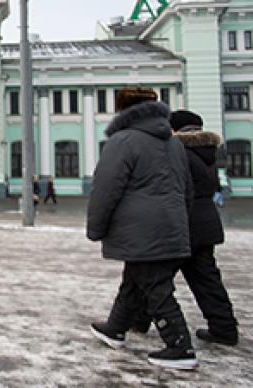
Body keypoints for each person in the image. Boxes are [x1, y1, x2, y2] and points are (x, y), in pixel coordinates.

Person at [86, 88, 197, 370]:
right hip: (171, 223)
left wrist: (96, 227)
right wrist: (179, 219)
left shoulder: (122, 141)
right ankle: (115, 327)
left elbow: (105, 189)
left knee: (155, 286)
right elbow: (187, 190)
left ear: (124, 111)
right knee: (135, 278)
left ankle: (179, 346)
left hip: (140, 228)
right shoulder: (174, 144)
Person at [131, 110, 238, 346]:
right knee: (207, 279)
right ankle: (224, 327)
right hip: (206, 224)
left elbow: (169, 189)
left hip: (181, 225)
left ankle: (138, 320)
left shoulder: (177, 153)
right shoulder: (207, 152)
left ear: (174, 129)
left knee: (154, 277)